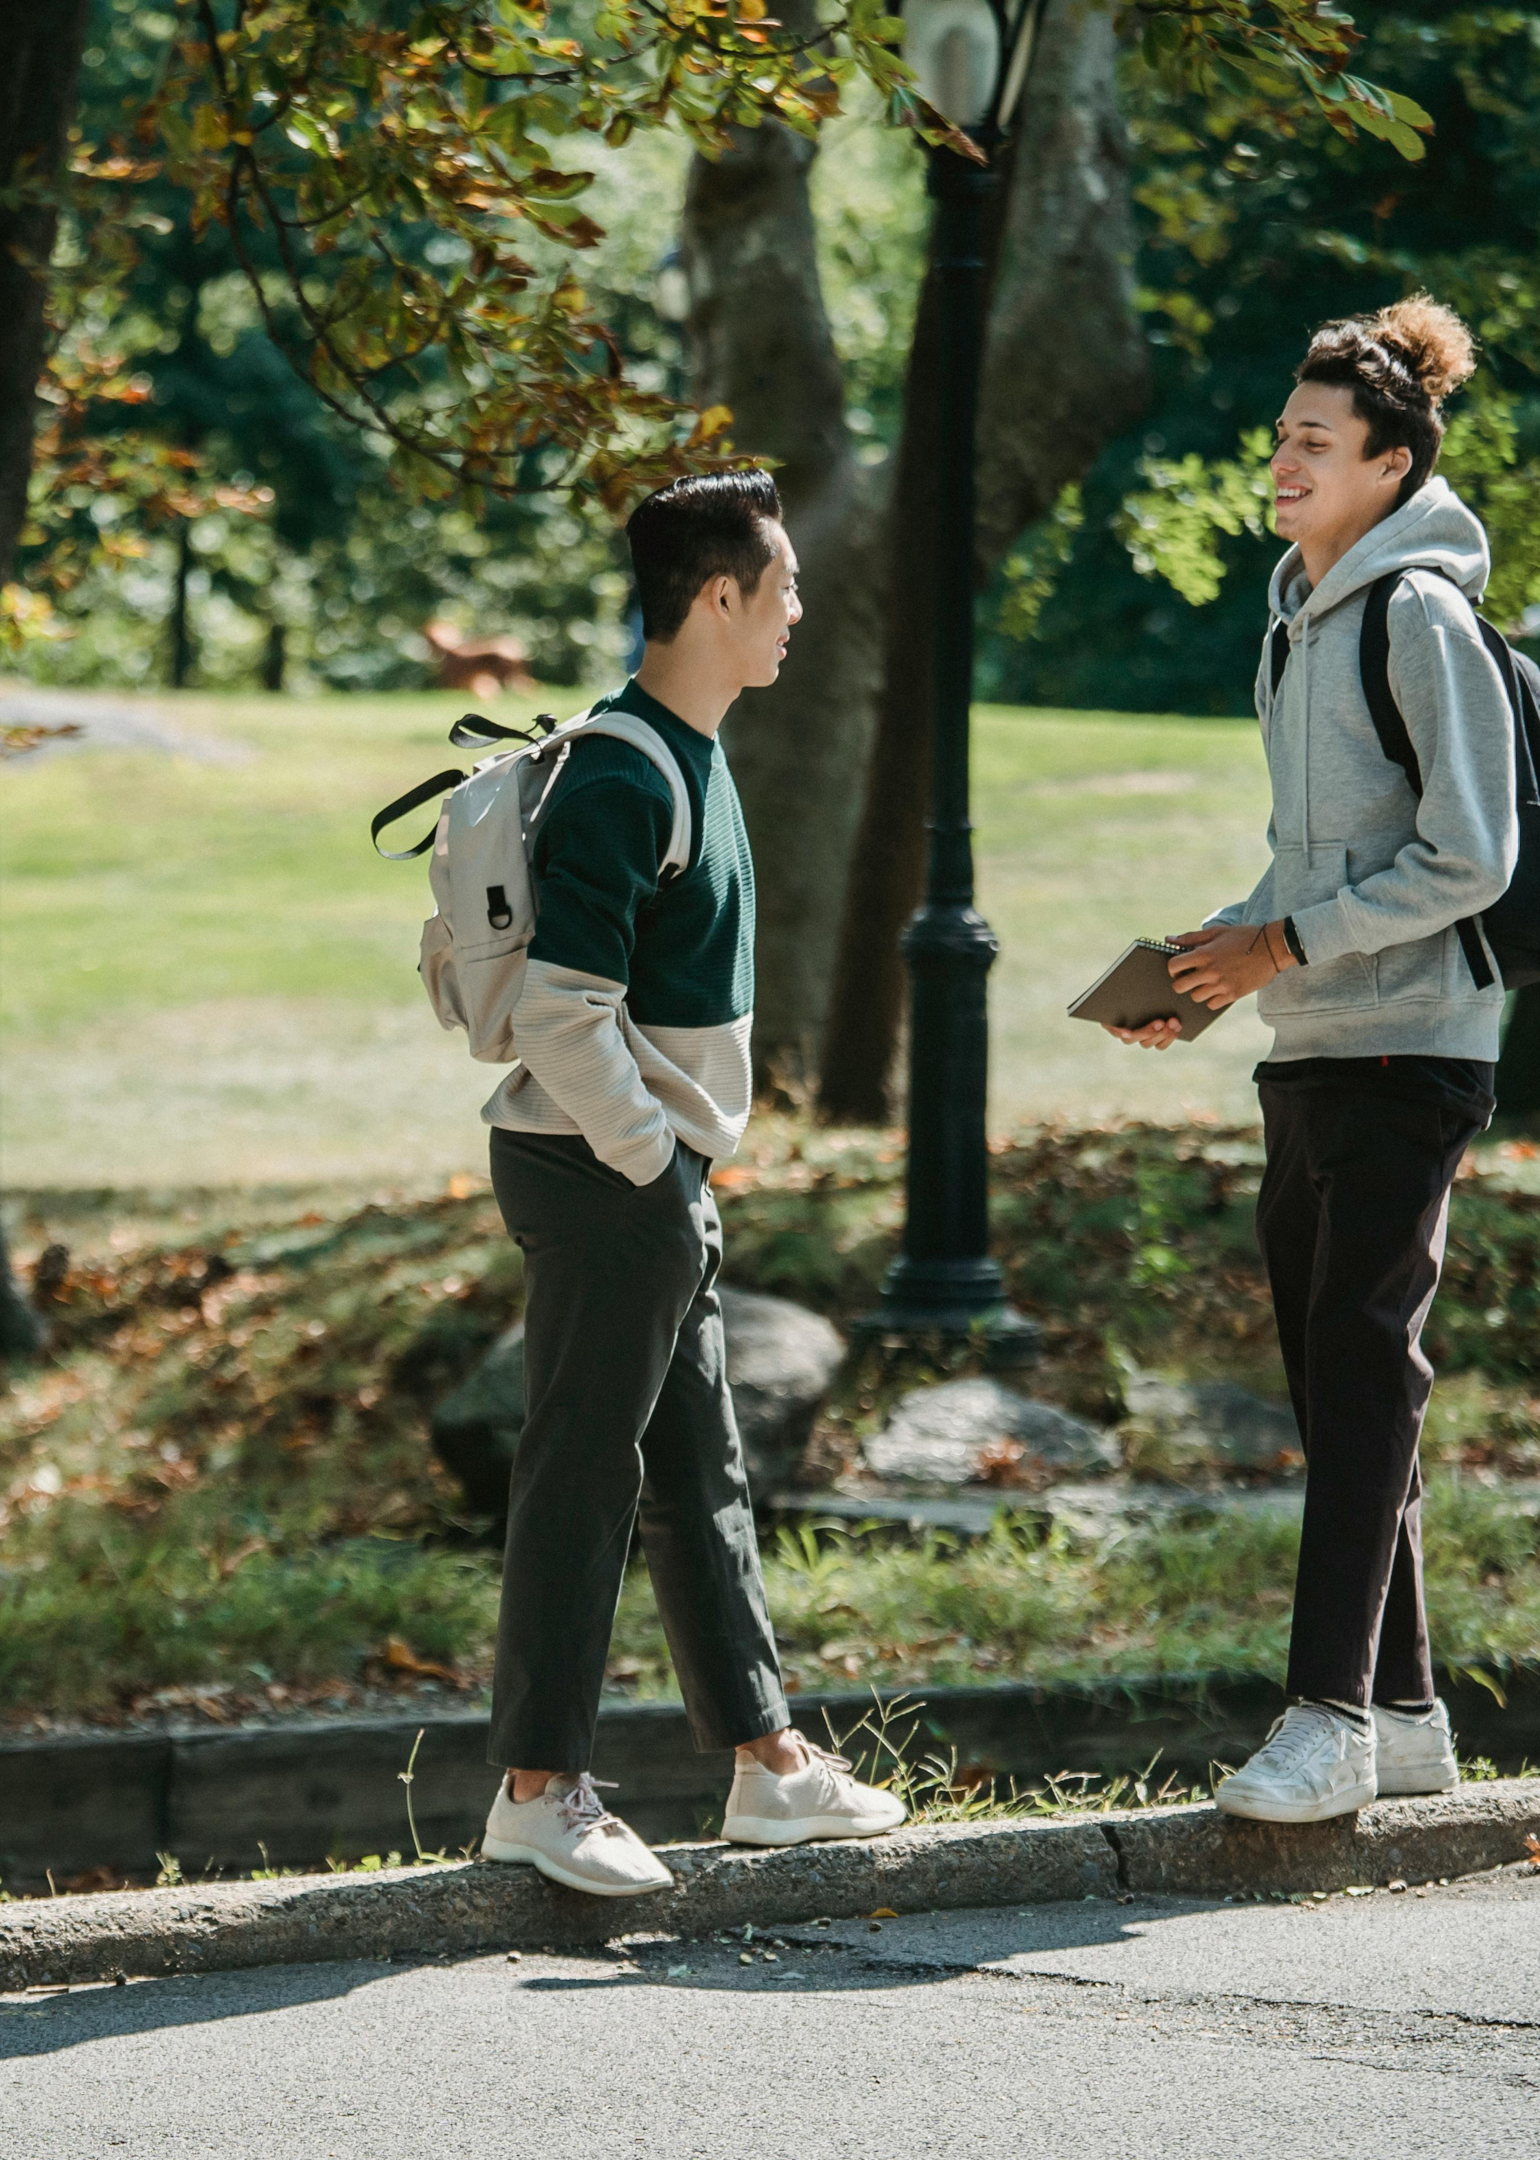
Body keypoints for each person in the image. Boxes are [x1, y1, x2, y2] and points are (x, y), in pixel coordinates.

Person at [1106, 297, 1519, 1824]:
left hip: (1415, 1048)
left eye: (1316, 442)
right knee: (1342, 1386)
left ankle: (1326, 1717)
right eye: (1282, 435)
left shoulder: (1421, 616)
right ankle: (1404, 1711)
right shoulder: (1296, 619)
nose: (1283, 459)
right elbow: (1313, 864)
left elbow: (1473, 855)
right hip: (1315, 1046)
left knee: (1362, 1369)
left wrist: (1285, 944)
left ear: (1393, 463)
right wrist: (1215, 963)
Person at [476, 469, 907, 1896]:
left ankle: (770, 1769)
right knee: (583, 1477)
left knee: (697, 1474)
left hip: (652, 1177)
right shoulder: (622, 767)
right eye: (781, 587)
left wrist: (680, 1169)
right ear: (717, 597)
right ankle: (538, 1789)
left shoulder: (694, 754)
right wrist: (658, 1164)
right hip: (604, 1174)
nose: (798, 610)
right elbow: (557, 1008)